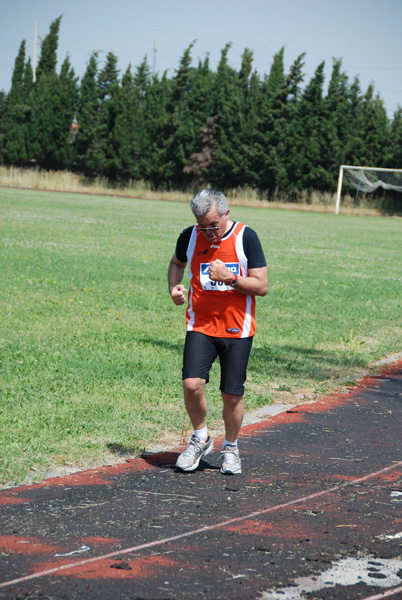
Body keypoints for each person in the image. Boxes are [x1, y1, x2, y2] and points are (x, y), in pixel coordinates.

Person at [168, 189, 268, 475]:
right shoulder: (189, 236)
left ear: (226, 214)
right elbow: (177, 263)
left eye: (214, 225)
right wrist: (174, 287)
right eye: (203, 226)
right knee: (191, 384)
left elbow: (261, 286)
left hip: (237, 329)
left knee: (231, 395)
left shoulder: (246, 237)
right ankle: (201, 438)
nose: (209, 231)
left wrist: (231, 278)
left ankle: (232, 448)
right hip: (200, 325)